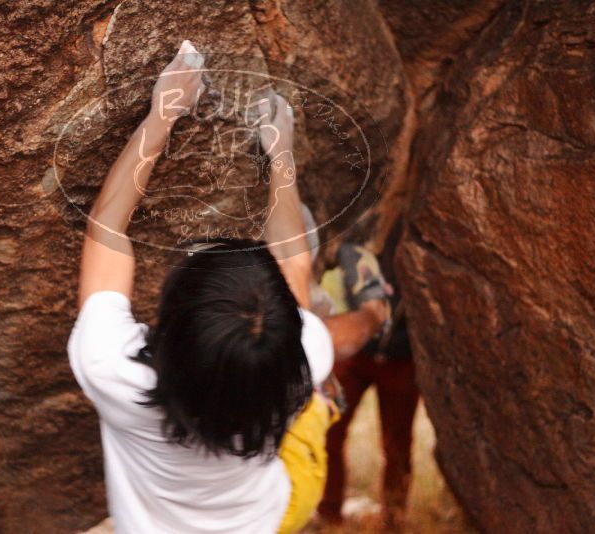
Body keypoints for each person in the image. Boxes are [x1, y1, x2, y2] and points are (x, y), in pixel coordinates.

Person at [67, 40, 390, 533]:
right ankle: (378, 315)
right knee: (333, 342)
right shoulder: (296, 361)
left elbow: (106, 228)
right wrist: (280, 154)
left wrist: (163, 114)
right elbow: (293, 266)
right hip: (275, 511)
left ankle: (360, 326)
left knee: (318, 333)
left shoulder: (112, 369)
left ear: (169, 319)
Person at [318, 222, 420, 531]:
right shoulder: (364, 225)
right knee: (330, 431)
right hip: (355, 352)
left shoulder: (421, 230)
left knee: (397, 444)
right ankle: (329, 512)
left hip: (402, 358)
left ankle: (393, 520)